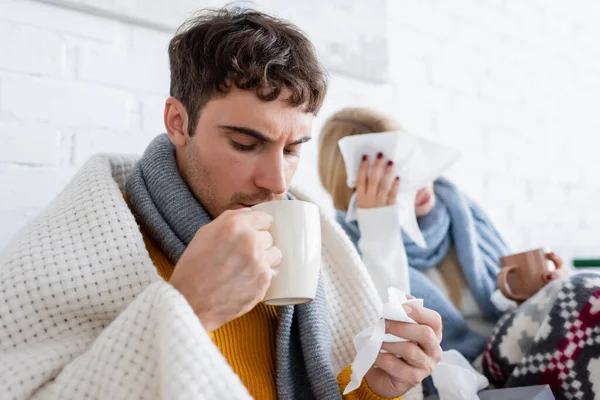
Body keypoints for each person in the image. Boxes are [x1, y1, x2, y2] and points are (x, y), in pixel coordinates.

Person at [0, 8, 443, 400]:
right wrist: (189, 307)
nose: (276, 183)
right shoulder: (81, 242)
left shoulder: (314, 237)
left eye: (292, 150)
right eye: (245, 143)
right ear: (179, 121)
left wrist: (372, 389)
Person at [317, 107, 565, 362]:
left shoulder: (459, 210)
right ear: (358, 194)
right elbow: (393, 341)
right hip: (469, 371)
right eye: (396, 177)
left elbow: (512, 301)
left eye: (415, 162)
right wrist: (379, 230)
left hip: (521, 347)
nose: (423, 181)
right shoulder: (351, 257)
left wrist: (547, 291)